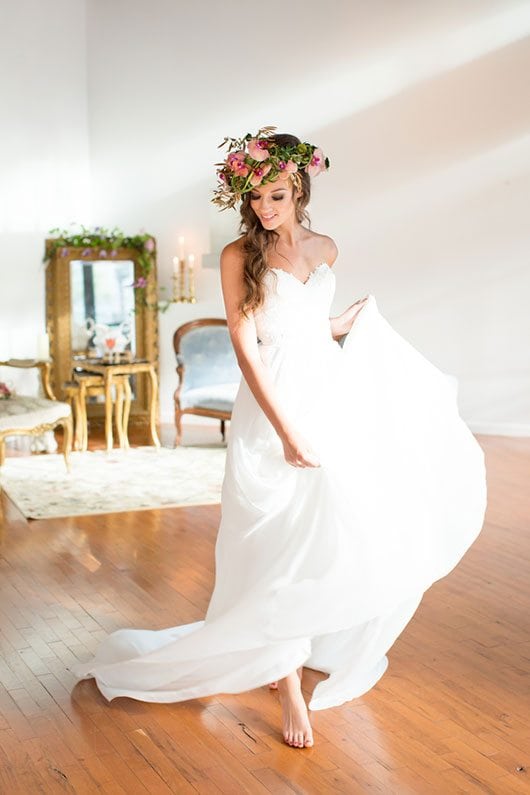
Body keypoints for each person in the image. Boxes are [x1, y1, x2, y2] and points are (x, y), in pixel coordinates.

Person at [70, 126, 487, 751]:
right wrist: (286, 428)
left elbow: (311, 329)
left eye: (277, 196)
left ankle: (292, 645)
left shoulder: (326, 249)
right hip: (272, 406)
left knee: (324, 529)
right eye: (256, 197)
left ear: (299, 190)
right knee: (269, 537)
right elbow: (248, 348)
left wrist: (347, 323)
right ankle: (286, 680)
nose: (266, 208)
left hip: (328, 394)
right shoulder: (240, 255)